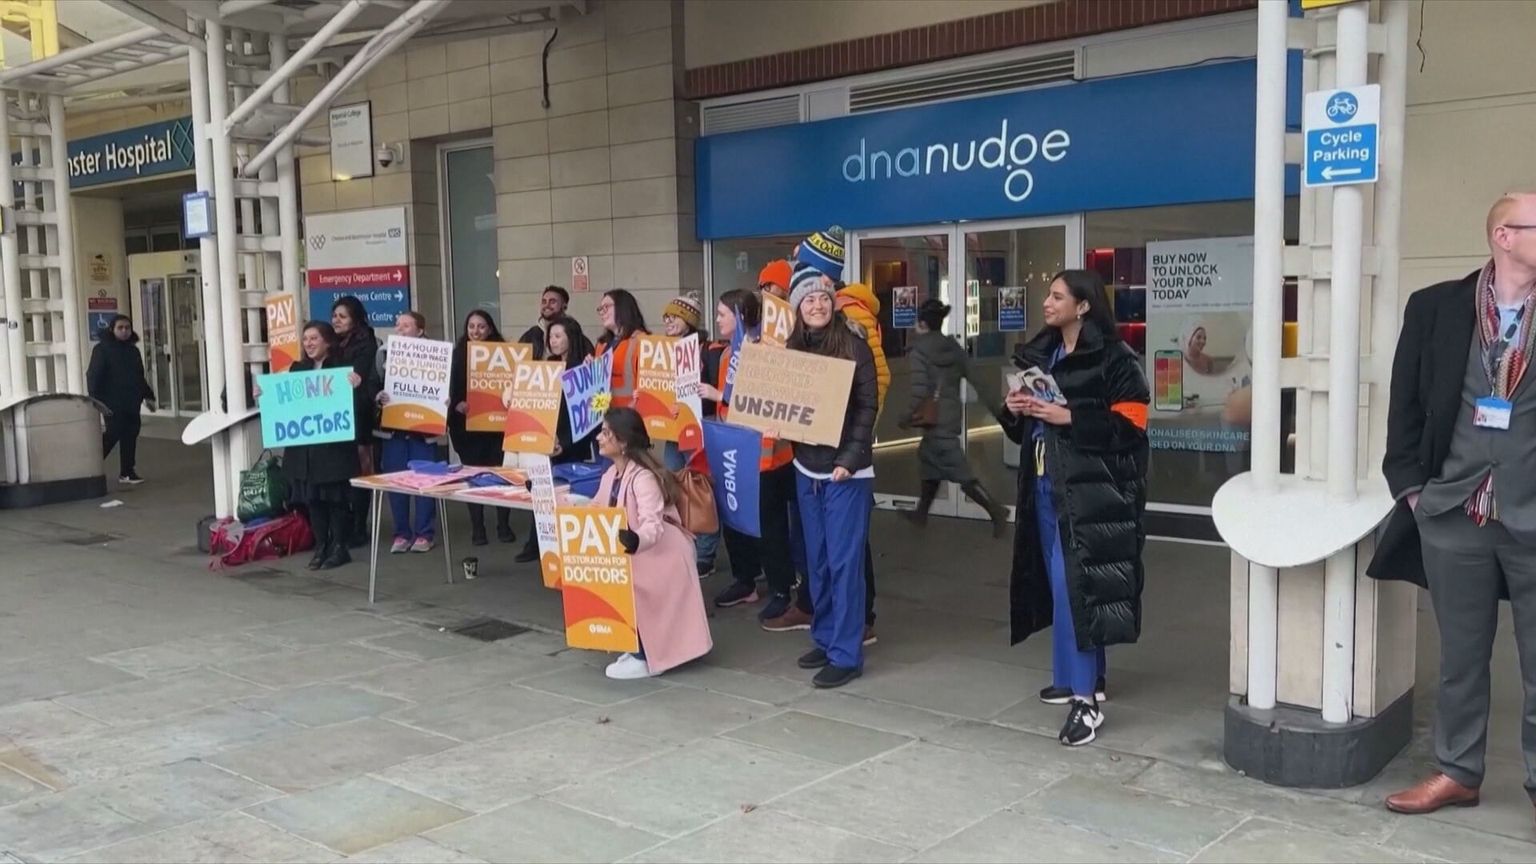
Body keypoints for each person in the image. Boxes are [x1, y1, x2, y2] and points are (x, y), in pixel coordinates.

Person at [1372, 191, 1536, 815]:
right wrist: (1414, 492)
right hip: (1454, 513)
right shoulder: (1436, 306)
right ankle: (1458, 772)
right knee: (1461, 658)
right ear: (1504, 236)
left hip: (1532, 513)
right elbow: (1406, 406)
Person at [999, 269, 1149, 746]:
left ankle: (1086, 701)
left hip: (1090, 495)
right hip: (1046, 489)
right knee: (1061, 585)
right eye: (1048, 295)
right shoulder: (1043, 353)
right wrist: (1015, 410)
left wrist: (1070, 417)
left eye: (1057, 296)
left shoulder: (1115, 358)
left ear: (1083, 306)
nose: (1047, 302)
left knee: (1075, 592)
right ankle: (1078, 678)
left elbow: (1133, 426)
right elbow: (1023, 430)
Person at [783, 265, 879, 688]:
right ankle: (825, 637)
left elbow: (867, 406)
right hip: (806, 466)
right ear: (797, 308)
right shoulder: (792, 350)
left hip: (846, 472)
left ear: (833, 303)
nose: (817, 305)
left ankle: (846, 653)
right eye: (809, 299)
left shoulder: (854, 346)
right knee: (817, 562)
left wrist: (851, 459)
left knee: (844, 564)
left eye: (823, 298)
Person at [593, 407, 713, 680]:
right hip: (640, 550)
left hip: (661, 554)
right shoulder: (611, 475)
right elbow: (596, 508)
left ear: (623, 442)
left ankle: (646, 656)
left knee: (628, 584)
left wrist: (636, 541)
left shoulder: (643, 478)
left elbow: (652, 525)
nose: (599, 437)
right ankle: (637, 647)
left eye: (606, 433)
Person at [700, 289, 799, 619]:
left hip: (766, 456)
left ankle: (781, 588)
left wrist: (720, 396)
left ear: (741, 316)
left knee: (769, 526)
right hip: (734, 451)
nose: (717, 319)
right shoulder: (728, 352)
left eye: (722, 314)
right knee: (734, 520)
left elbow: (763, 401)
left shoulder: (765, 351)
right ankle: (745, 579)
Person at [256, 321, 363, 570]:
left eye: (314, 338)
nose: (309, 344)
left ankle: (339, 547)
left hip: (333, 451)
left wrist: (356, 388)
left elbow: (358, 406)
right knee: (313, 500)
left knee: (335, 500)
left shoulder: (342, 369)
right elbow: (283, 402)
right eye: (305, 339)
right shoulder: (298, 369)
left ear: (328, 341)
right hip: (305, 452)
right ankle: (321, 546)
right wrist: (264, 395)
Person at [899, 299, 1009, 536]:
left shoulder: (919, 351)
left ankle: (996, 510)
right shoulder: (954, 349)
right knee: (929, 464)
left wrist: (906, 417)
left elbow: (919, 391)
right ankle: (921, 514)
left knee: (960, 471)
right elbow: (978, 381)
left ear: (922, 324)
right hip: (949, 417)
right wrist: (1001, 413)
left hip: (935, 422)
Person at [515, 315, 598, 564]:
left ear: (571, 338)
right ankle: (537, 543)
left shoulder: (582, 368)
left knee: (567, 496)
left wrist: (565, 442)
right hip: (545, 439)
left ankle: (568, 548)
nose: (553, 340)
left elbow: (591, 413)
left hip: (572, 441)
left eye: (558, 336)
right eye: (550, 336)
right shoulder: (547, 365)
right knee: (541, 491)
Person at [657, 293, 723, 577]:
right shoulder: (661, 352)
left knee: (700, 490)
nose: (668, 321)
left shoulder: (707, 350)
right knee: (671, 486)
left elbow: (715, 391)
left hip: (699, 428)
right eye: (666, 317)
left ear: (689, 320)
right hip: (672, 430)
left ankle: (705, 554)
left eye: (674, 316)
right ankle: (682, 548)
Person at [447, 309, 515, 547]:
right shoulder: (457, 354)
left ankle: (503, 524)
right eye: (471, 326)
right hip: (467, 429)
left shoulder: (504, 353)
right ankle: (478, 527)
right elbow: (448, 389)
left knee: (500, 476)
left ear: (490, 329)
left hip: (497, 428)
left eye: (481, 326)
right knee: (473, 476)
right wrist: (456, 404)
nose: (475, 331)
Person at [374, 311, 440, 554]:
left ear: (420, 331)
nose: (399, 329)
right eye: (397, 325)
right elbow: (374, 382)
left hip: (424, 429)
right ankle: (401, 533)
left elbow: (445, 385)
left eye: (406, 326)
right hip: (394, 430)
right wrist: (378, 396)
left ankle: (424, 534)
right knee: (397, 481)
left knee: (425, 481)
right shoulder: (383, 352)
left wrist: (444, 400)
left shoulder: (436, 353)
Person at [331, 296, 381, 546]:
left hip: (359, 415)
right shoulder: (331, 342)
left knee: (362, 471)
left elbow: (361, 378)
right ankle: (345, 524)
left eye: (342, 316)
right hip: (335, 417)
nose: (336, 320)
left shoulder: (366, 344)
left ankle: (360, 525)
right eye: (334, 316)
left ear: (355, 319)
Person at [87, 314, 155, 485]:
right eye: (120, 328)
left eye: (127, 328)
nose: (124, 331)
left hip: (131, 401)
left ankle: (127, 472)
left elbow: (138, 377)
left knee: (130, 434)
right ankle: (88, 467)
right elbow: (93, 376)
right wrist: (96, 400)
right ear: (112, 329)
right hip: (111, 402)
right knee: (113, 433)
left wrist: (148, 396)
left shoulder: (133, 351)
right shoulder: (102, 350)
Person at [593, 289, 649, 409]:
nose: (602, 312)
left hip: (631, 414)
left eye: (606, 307)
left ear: (622, 308)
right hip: (604, 413)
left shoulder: (642, 342)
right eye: (600, 309)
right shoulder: (601, 345)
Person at [519, 285, 569, 359]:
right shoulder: (530, 335)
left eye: (552, 302)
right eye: (544, 302)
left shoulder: (574, 335)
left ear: (564, 306)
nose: (547, 305)